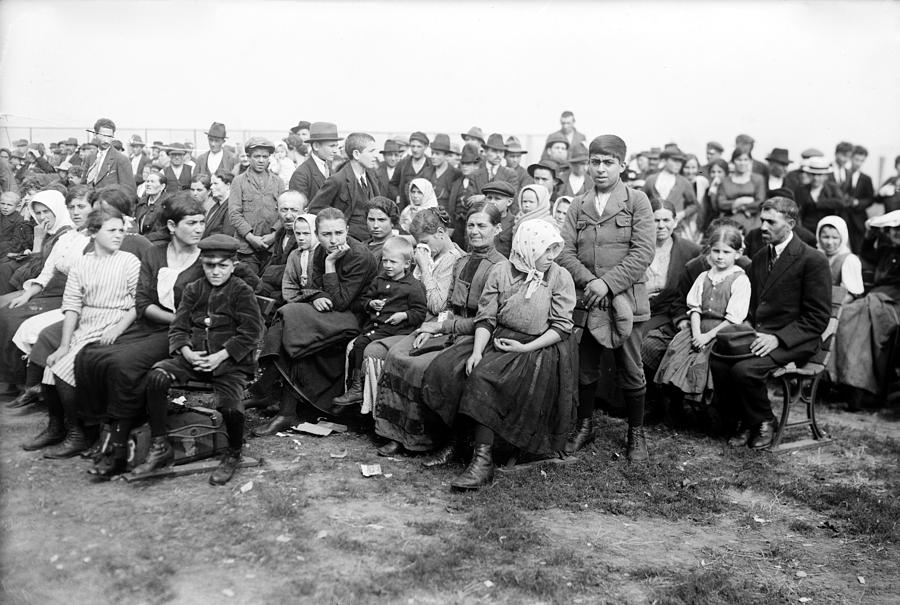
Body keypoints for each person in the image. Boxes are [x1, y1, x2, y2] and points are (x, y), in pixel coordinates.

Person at [447, 219, 576, 488]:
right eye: (545, 250)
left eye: (554, 250)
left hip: (541, 346)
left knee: (486, 378)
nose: (551, 257)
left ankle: (483, 462)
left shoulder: (559, 276)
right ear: (528, 247)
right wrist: (477, 351)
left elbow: (561, 326)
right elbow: (486, 318)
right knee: (455, 368)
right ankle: (455, 444)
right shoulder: (502, 271)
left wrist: (525, 347)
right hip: (501, 338)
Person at [374, 203, 505, 458]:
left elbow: (486, 319)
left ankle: (422, 438)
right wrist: (431, 329)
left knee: (419, 365)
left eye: (482, 226)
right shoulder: (463, 261)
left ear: (497, 229)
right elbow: (447, 306)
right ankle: (396, 434)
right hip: (448, 327)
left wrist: (439, 326)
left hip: (477, 334)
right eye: (471, 225)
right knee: (398, 353)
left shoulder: (500, 266)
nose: (474, 231)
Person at [555, 134, 655, 462]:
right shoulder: (578, 204)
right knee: (585, 367)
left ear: (622, 165)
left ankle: (636, 433)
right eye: (595, 162)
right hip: (588, 301)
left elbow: (643, 252)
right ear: (588, 164)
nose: (600, 168)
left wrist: (608, 284)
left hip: (627, 301)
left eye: (608, 162)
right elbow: (564, 252)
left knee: (631, 368)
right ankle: (585, 426)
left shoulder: (637, 201)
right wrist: (591, 283)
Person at [135, 234, 264, 484]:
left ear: (233, 265)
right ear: (202, 264)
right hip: (193, 359)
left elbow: (251, 332)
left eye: (222, 265)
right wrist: (186, 352)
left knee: (231, 407)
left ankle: (233, 453)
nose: (215, 272)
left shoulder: (241, 291)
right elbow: (178, 327)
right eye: (209, 265)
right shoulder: (193, 289)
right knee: (157, 377)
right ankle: (160, 444)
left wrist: (221, 356)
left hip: (229, 363)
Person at [23, 206, 140, 465]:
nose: (119, 235)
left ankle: (80, 433)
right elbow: (72, 307)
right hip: (87, 323)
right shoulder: (82, 264)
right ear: (94, 233)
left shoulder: (128, 261)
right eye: (112, 230)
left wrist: (116, 329)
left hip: (116, 323)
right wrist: (64, 344)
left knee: (63, 369)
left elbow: (137, 303)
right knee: (51, 366)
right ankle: (57, 427)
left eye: (121, 230)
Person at [711, 197, 830, 449]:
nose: (763, 227)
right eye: (762, 220)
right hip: (760, 334)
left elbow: (818, 317)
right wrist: (745, 325)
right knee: (719, 361)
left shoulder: (813, 260)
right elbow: (753, 303)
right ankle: (746, 421)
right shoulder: (761, 257)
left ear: (791, 224)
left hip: (796, 340)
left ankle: (765, 420)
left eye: (771, 222)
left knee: (745, 370)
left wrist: (778, 338)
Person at [250, 209, 377, 435]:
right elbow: (314, 287)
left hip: (356, 317)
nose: (334, 240)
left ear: (347, 230)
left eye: (339, 233)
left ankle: (274, 397)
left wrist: (330, 264)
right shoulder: (319, 250)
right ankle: (280, 403)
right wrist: (317, 296)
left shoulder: (360, 256)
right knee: (287, 316)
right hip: (329, 310)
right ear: (317, 234)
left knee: (291, 318)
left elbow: (342, 302)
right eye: (326, 234)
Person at [655, 222, 750, 401]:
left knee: (705, 363)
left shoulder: (740, 280)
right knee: (676, 353)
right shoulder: (703, 276)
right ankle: (675, 402)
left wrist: (706, 337)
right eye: (716, 251)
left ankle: (705, 404)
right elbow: (695, 309)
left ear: (738, 253)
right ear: (709, 250)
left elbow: (733, 319)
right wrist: (697, 334)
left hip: (723, 332)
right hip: (698, 329)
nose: (720, 256)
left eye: (726, 252)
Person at [333, 237, 427, 406]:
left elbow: (420, 313)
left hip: (396, 330)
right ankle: (354, 389)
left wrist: (404, 315)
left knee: (360, 344)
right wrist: (371, 303)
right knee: (353, 350)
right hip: (375, 326)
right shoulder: (379, 280)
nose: (388, 265)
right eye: (385, 261)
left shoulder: (413, 286)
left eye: (393, 262)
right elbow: (364, 299)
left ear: (407, 264)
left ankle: (356, 390)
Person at [229, 137, 286, 274]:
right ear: (249, 157)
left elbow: (284, 212)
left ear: (269, 158)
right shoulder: (239, 181)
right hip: (246, 249)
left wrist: (274, 235)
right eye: (257, 156)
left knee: (269, 282)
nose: (261, 160)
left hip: (272, 248)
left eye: (265, 157)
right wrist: (250, 237)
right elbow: (234, 214)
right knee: (249, 282)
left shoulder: (278, 182)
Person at [255, 190, 303, 301]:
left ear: (305, 211)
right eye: (284, 210)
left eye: (294, 210)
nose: (288, 216)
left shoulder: (306, 236)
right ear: (277, 210)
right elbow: (275, 263)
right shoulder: (280, 233)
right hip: (277, 287)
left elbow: (295, 272)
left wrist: (269, 273)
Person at [289, 122, 342, 206]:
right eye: (332, 146)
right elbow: (299, 207)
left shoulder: (332, 168)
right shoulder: (301, 174)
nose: (335, 150)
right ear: (316, 146)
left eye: (336, 146)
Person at [716, 149, 766, 231]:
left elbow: (760, 202)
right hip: (730, 217)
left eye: (745, 160)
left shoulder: (758, 179)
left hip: (752, 217)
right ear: (733, 161)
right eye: (739, 160)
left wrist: (744, 207)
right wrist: (739, 201)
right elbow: (721, 203)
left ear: (750, 161)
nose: (742, 163)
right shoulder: (725, 181)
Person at [816, 216, 864, 301]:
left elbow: (851, 295)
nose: (830, 242)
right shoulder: (815, 256)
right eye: (825, 237)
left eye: (835, 238)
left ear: (842, 238)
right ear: (818, 237)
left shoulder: (849, 260)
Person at [84, 118, 136, 194]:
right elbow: (84, 184)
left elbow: (129, 191)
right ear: (95, 135)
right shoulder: (90, 157)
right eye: (103, 136)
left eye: (109, 137)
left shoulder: (121, 159)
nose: (106, 140)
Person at [796, 156, 846, 233]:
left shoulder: (832, 189)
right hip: (806, 230)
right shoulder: (801, 190)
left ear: (825, 176)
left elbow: (841, 203)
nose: (816, 178)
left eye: (819, 175)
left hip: (827, 230)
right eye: (813, 174)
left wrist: (819, 203)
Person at [281, 213, 320, 302]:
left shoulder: (323, 253)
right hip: (300, 300)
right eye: (298, 233)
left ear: (315, 233)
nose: (301, 238)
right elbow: (288, 285)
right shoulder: (294, 255)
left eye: (306, 233)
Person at [390, 131, 435, 209]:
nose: (415, 150)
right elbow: (393, 184)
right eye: (413, 146)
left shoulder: (431, 165)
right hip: (405, 207)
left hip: (425, 208)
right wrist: (397, 196)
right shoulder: (403, 163)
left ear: (425, 147)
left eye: (419, 147)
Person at [844, 146, 875, 253]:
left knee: (858, 250)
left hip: (858, 220)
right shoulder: (843, 174)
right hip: (842, 216)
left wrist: (858, 203)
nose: (858, 163)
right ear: (851, 158)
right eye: (856, 159)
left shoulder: (866, 179)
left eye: (862, 161)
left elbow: (870, 199)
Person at [482, 181, 518, 258]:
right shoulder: (477, 220)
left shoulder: (515, 224)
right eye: (489, 198)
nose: (492, 202)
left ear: (509, 202)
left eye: (497, 199)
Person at [428, 134, 460, 213]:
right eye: (432, 153)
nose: (433, 156)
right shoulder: (427, 171)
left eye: (437, 154)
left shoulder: (455, 174)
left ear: (446, 155)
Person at [134, 171, 171, 237]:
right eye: (147, 181)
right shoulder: (142, 202)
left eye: (152, 182)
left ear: (162, 186)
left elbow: (165, 231)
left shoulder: (167, 204)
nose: (148, 184)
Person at [364, 196, 400, 263]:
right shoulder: (361, 246)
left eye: (381, 220)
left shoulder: (397, 248)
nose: (375, 225)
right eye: (371, 219)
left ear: (392, 222)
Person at [202, 171, 235, 238]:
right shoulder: (215, 206)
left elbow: (227, 236)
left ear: (228, 185)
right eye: (211, 184)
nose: (211, 187)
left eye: (215, 183)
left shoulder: (232, 207)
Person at [0, 191, 32, 259]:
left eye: (9, 205)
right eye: (2, 203)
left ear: (17, 206)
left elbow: (16, 242)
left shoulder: (19, 220)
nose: (5, 207)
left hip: (6, 252)